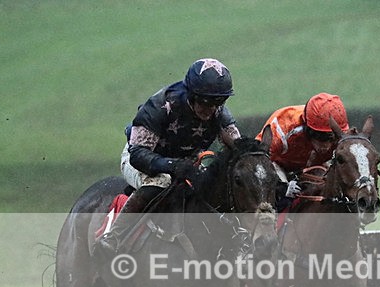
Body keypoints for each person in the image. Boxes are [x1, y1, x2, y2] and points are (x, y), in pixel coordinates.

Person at [97, 58, 240, 256]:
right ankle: (113, 237)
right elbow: (138, 154)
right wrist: (171, 165)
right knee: (161, 181)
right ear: (192, 94)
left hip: (184, 162)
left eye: (219, 102)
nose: (211, 109)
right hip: (141, 158)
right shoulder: (159, 105)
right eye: (205, 101)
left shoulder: (218, 112)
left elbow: (238, 148)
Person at [255, 93, 350, 210]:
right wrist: (282, 187)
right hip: (277, 165)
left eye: (331, 138)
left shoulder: (342, 132)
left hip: (315, 164)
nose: (326, 146)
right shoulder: (282, 128)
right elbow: (258, 163)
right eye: (320, 137)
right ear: (307, 128)